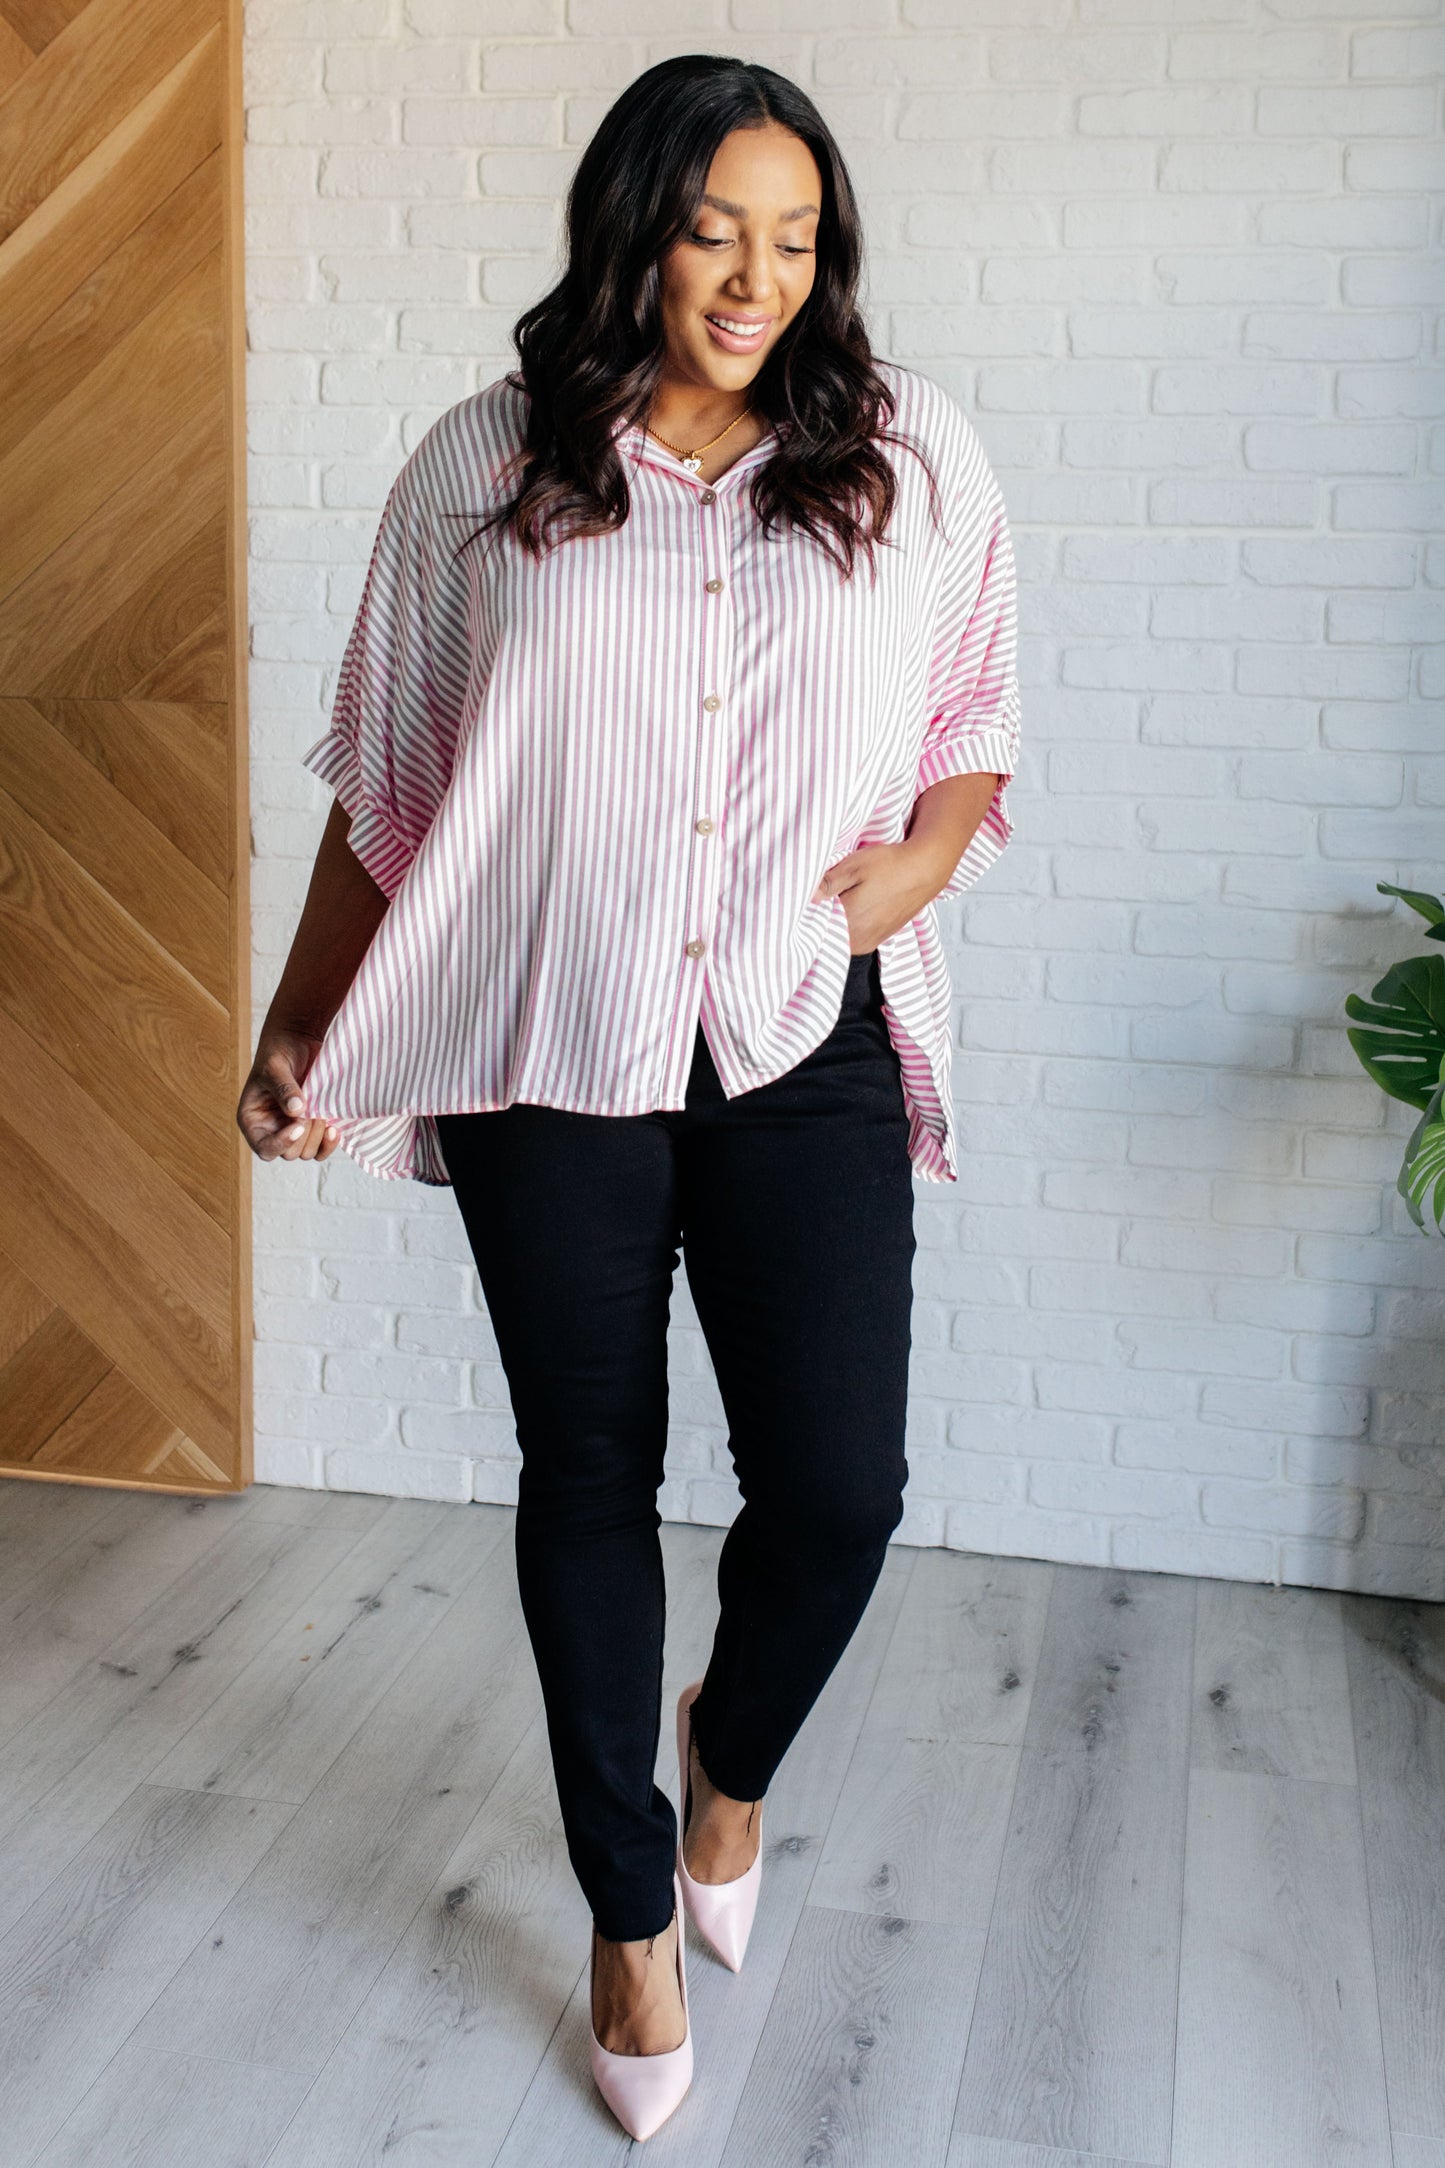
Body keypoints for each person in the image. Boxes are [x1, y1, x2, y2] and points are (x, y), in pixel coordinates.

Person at [238, 53, 1021, 2144]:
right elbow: (391, 785)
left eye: (793, 235)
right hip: (543, 1045)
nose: (757, 275)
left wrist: (921, 866)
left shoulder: (909, 455)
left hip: (798, 1037)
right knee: (589, 1470)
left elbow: (972, 715)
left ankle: (726, 1765)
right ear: (633, 227)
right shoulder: (484, 468)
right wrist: (303, 1018)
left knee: (838, 1489)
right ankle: (622, 1913)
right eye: (713, 230)